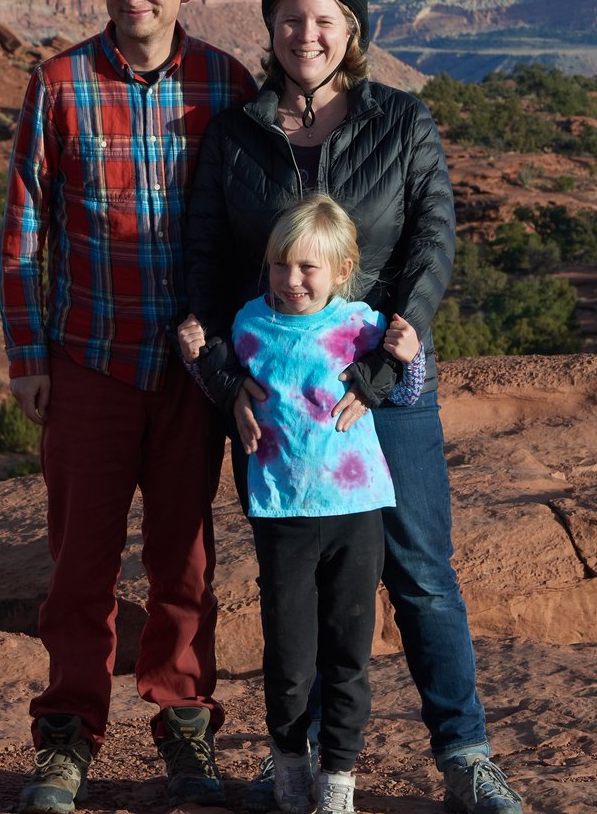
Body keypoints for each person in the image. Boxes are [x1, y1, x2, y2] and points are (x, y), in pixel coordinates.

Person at [183, 0, 526, 813]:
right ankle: (295, 763)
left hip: (384, 387)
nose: (306, 35)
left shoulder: (401, 121)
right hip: (275, 400)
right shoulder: (235, 136)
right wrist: (224, 381)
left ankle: (465, 756)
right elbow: (206, 266)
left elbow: (431, 242)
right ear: (271, 30)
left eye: (325, 20)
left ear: (353, 32)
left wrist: (386, 362)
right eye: (291, 19)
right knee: (292, 595)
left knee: (420, 570)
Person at [0, 0, 257, 813]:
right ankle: (68, 734)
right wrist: (27, 354)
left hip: (192, 368)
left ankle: (184, 723)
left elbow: (254, 221)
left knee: (184, 562)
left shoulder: (224, 81)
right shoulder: (59, 81)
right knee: (81, 564)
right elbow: (22, 229)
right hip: (88, 360)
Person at [177, 194, 423, 814]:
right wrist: (197, 357)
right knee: (288, 659)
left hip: (356, 511)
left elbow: (403, 391)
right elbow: (222, 388)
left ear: (342, 270)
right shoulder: (249, 324)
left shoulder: (362, 324)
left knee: (348, 654)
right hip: (282, 513)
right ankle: (289, 763)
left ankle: (338, 776)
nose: (291, 280)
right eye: (280, 265)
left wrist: (410, 357)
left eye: (308, 268)